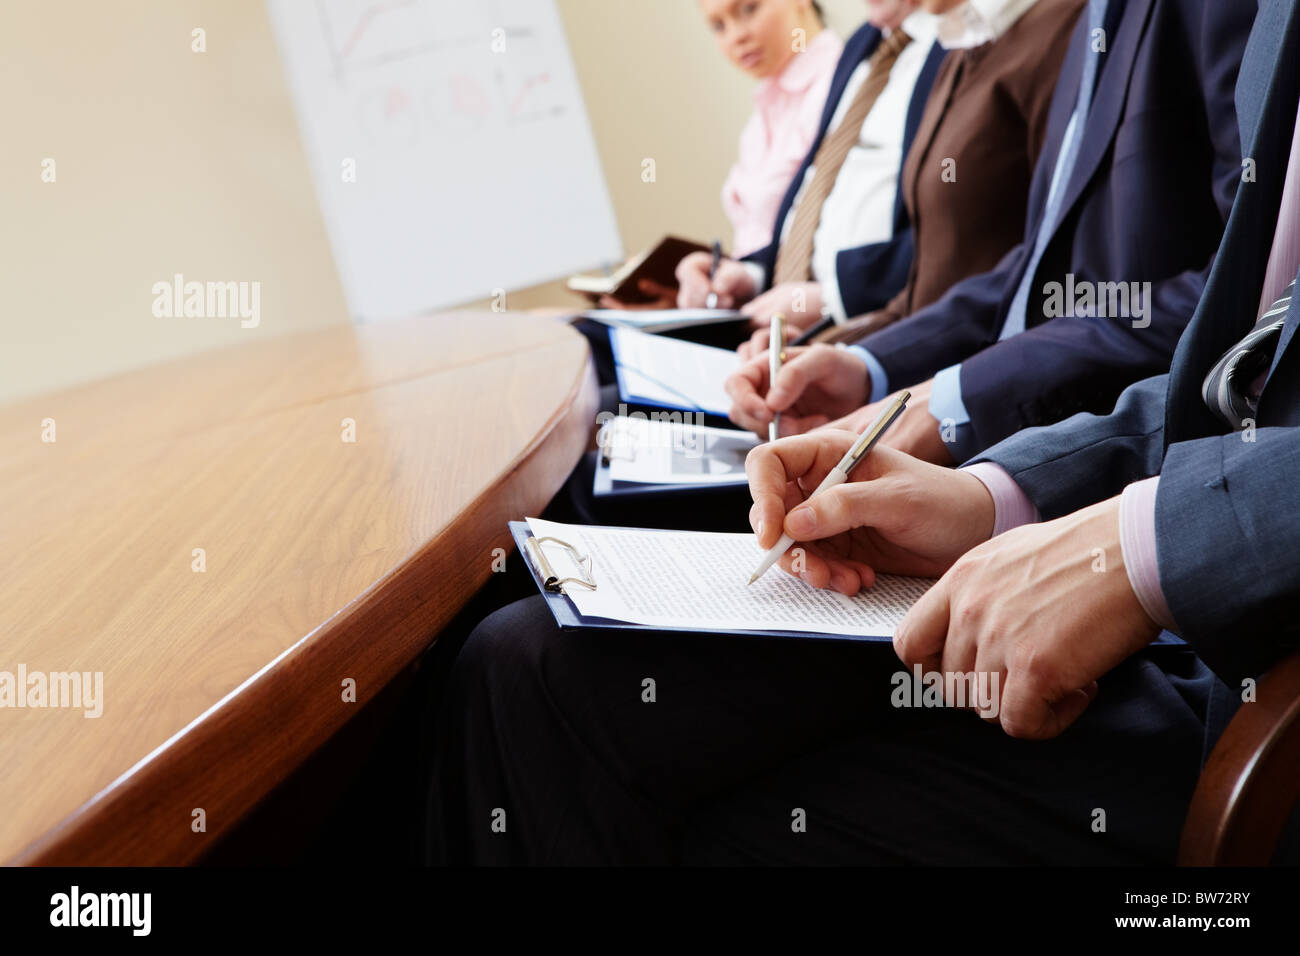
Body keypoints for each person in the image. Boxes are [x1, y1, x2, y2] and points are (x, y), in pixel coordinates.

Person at [426, 0, 1300, 865]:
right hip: (1162, 533)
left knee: (595, 722)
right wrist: (995, 496)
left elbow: (1181, 318)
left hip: (1247, 681)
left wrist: (1141, 542)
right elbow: (1235, 360)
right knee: (527, 657)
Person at [725, 0, 1253, 465]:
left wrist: (957, 400)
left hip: (1124, 450)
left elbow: (1241, 294)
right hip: (1004, 415)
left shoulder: (1061, 25)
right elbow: (1033, 271)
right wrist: (867, 367)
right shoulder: (1089, 21)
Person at [679, 0, 1082, 339]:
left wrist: (834, 296)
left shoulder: (967, 38)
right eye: (716, 26)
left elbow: (965, 228)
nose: (735, 35)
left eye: (749, 9)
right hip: (794, 321)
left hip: (878, 319)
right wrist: (751, 273)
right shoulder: (865, 43)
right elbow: (817, 189)